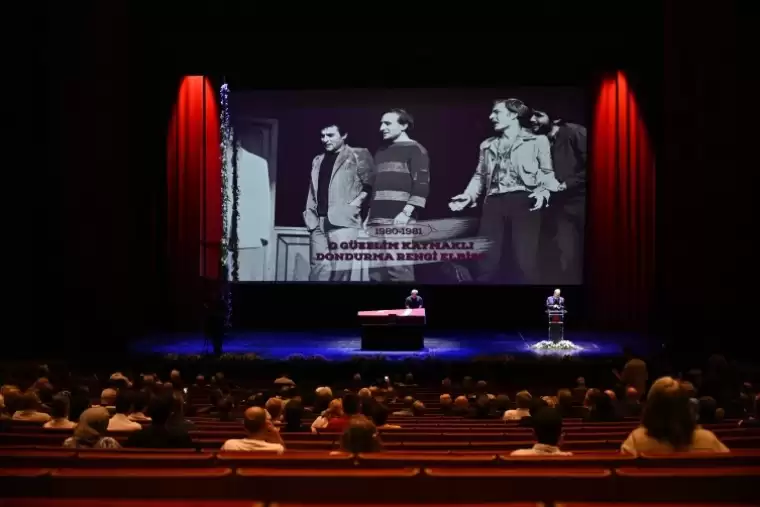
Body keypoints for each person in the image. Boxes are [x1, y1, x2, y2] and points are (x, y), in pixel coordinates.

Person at [449, 99, 561, 284]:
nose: (491, 117)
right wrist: (469, 195)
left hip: (525, 201)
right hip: (493, 202)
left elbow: (547, 172)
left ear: (513, 114)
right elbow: (479, 175)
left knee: (525, 261)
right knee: (486, 261)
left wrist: (543, 191)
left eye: (497, 112)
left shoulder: (538, 140)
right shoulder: (487, 145)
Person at [303, 123, 374, 282]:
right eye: (322, 136)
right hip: (317, 221)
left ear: (344, 135)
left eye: (330, 135)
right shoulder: (318, 159)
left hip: (343, 220)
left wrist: (356, 203)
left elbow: (370, 184)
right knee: (317, 271)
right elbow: (312, 190)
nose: (325, 140)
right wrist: (310, 215)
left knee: (341, 272)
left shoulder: (358, 154)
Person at [367, 108, 430, 282]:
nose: (381, 128)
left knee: (399, 270)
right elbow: (376, 185)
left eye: (387, 123)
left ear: (404, 126)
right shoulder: (381, 151)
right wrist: (369, 216)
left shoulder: (416, 149)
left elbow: (422, 184)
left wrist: (406, 213)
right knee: (375, 273)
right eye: (381, 123)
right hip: (376, 220)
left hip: (399, 219)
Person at [531, 109, 586, 284]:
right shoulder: (536, 140)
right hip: (560, 207)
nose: (532, 119)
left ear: (555, 118)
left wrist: (567, 184)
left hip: (582, 202)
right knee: (566, 257)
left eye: (538, 115)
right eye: (530, 115)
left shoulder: (575, 132)